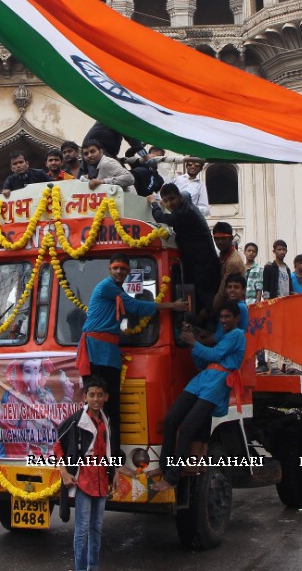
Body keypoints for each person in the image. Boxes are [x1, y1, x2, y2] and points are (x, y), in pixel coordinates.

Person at [77, 253, 187, 433]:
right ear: (109, 269)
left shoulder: (116, 290)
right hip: (96, 351)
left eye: (123, 268)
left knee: (110, 405)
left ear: (128, 272)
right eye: (116, 268)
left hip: (107, 350)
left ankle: (111, 452)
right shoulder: (107, 287)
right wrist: (171, 306)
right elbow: (135, 307)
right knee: (97, 406)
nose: (119, 271)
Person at [151, 300, 246, 491]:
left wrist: (194, 341)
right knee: (171, 420)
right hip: (203, 378)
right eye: (222, 317)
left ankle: (171, 477)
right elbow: (202, 358)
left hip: (217, 383)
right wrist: (192, 340)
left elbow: (213, 354)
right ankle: (165, 467)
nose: (224, 320)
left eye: (228, 317)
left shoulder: (237, 335)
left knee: (186, 428)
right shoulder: (225, 337)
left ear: (237, 319)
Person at [54, 377, 128, 571]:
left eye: (100, 395)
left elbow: (109, 451)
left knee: (97, 528)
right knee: (82, 530)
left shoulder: (106, 421)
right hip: (84, 481)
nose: (96, 399)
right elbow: (57, 445)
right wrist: (64, 471)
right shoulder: (76, 421)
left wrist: (115, 472)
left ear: (106, 398)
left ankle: (93, 567)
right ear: (85, 397)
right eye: (92, 395)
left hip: (101, 481)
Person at [149, 184, 219, 318]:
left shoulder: (185, 212)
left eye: (172, 199)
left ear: (179, 197)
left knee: (202, 297)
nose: (169, 204)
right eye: (166, 201)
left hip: (202, 261)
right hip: (198, 258)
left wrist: (154, 203)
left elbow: (162, 219)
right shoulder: (185, 202)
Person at [212, 222, 245, 308]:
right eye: (217, 239)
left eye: (223, 238)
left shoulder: (233, 261)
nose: (219, 242)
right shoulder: (223, 255)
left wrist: (204, 314)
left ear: (230, 239)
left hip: (233, 310)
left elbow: (222, 293)